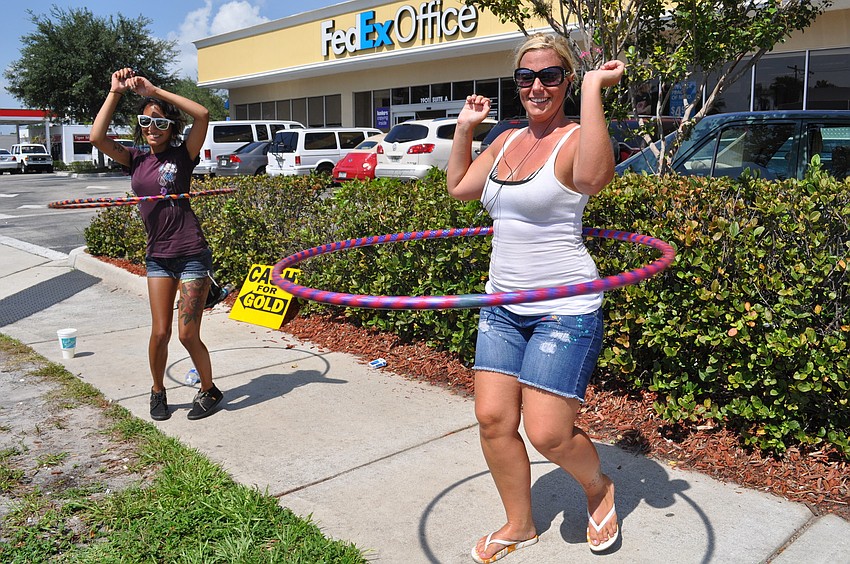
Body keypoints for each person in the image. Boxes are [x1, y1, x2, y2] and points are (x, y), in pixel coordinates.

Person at [446, 33, 624, 561]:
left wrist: (594, 90)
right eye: (527, 77)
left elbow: (593, 178)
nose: (538, 86)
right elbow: (460, 188)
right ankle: (520, 523)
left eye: (551, 75)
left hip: (563, 307)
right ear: (517, 84)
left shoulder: (575, 137)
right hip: (502, 306)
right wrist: (464, 130)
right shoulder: (504, 140)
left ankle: (598, 488)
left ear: (566, 79)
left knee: (548, 433)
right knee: (493, 421)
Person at [90, 68, 224, 422]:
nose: (152, 129)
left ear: (171, 128)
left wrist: (155, 91)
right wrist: (115, 92)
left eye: (160, 123)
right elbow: (96, 137)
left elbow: (203, 114)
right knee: (160, 332)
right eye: (146, 123)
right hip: (158, 258)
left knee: (186, 334)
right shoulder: (135, 158)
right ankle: (157, 390)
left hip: (192, 253)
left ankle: (209, 390)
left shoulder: (184, 155)